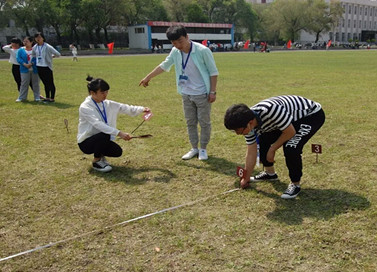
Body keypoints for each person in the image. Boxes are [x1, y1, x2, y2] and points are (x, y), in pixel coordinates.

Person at [139, 25, 218, 161]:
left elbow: (213, 72)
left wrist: (212, 92)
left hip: (202, 94)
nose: (178, 45)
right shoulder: (175, 51)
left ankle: (203, 149)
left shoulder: (202, 51)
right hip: (186, 93)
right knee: (190, 122)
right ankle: (194, 148)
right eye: (174, 43)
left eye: (180, 41)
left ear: (187, 37)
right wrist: (148, 77)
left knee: (204, 122)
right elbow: (164, 65)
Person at [224, 95, 325, 199]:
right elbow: (251, 152)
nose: (237, 133)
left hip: (310, 115)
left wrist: (272, 149)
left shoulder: (270, 110)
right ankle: (270, 173)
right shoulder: (247, 124)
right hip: (285, 120)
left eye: (238, 130)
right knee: (263, 140)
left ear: (250, 123)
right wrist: (246, 177)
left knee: (291, 147)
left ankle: (295, 184)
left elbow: (290, 132)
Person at [78, 76, 151, 172]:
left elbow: (124, 107)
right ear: (92, 93)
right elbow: (98, 124)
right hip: (86, 142)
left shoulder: (106, 103)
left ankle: (101, 155)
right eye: (102, 92)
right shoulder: (85, 107)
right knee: (104, 135)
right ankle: (96, 162)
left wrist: (142, 109)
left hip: (102, 138)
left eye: (106, 92)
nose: (105, 95)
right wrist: (120, 133)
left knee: (117, 152)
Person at [32, 32, 61, 103]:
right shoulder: (35, 47)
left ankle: (52, 98)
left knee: (50, 82)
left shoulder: (47, 46)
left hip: (47, 67)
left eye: (39, 37)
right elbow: (33, 55)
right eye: (36, 38)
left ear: (43, 38)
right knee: (45, 83)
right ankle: (47, 97)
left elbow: (58, 54)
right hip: (39, 66)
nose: (38, 39)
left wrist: (51, 57)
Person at [16, 36, 41, 102]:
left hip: (34, 69)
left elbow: (37, 58)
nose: (25, 43)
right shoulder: (21, 50)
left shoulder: (35, 49)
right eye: (24, 41)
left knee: (35, 83)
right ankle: (22, 97)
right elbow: (18, 58)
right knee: (24, 83)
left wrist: (32, 64)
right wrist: (25, 64)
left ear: (31, 42)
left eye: (27, 41)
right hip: (24, 69)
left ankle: (37, 97)